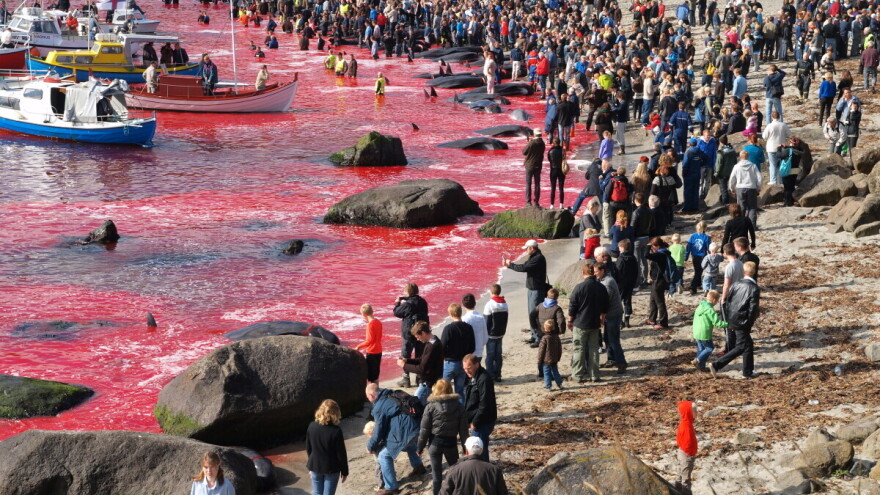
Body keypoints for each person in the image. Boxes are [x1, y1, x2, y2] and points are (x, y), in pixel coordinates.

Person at [366, 383, 426, 495]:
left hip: (406, 430)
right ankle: (418, 466)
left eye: (368, 397)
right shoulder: (394, 393)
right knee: (409, 443)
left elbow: (379, 431)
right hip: (417, 426)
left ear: (372, 395)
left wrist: (370, 446)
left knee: (384, 456)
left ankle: (391, 488)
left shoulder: (379, 406)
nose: (369, 400)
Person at [709, 261, 760, 379]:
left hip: (732, 318)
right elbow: (753, 309)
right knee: (741, 346)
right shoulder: (754, 288)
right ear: (754, 272)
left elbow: (728, 301)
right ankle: (717, 364)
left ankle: (748, 371)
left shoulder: (736, 284)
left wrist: (728, 318)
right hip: (743, 321)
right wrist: (749, 323)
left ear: (744, 271)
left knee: (748, 345)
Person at [418, 379, 468, 495]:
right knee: (455, 472)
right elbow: (463, 431)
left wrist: (419, 448)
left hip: (435, 444)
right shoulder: (459, 406)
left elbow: (424, 430)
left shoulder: (430, 407)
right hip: (451, 443)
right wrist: (466, 448)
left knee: (437, 476)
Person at [567, 263, 610, 383]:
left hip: (580, 323)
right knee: (594, 350)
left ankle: (577, 375)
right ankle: (594, 375)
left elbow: (573, 306)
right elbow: (605, 306)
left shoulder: (579, 287)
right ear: (593, 273)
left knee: (579, 349)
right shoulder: (601, 287)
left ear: (583, 273)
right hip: (594, 323)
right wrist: (601, 320)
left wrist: (570, 320)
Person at [503, 239, 547, 347]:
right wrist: (510, 265)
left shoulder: (538, 258)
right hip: (532, 289)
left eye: (527, 248)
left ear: (532, 248)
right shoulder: (534, 257)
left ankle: (538, 338)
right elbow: (524, 266)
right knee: (531, 313)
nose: (526, 250)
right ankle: (534, 335)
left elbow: (524, 268)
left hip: (537, 289)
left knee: (534, 314)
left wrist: (510, 265)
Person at [306, 399, 348, 495]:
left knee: (317, 492)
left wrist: (311, 465)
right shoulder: (336, 431)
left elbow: (308, 448)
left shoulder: (311, 426)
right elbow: (341, 454)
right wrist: (345, 472)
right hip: (331, 468)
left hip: (315, 466)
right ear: (336, 413)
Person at [439, 437, 508, 495]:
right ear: (482, 451)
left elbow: (444, 493)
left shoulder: (454, 469)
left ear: (467, 451)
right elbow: (503, 493)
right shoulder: (494, 470)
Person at [393, 282, 429, 388]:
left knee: (405, 355)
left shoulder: (408, 304)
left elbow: (396, 313)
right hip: (421, 332)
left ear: (408, 292)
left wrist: (397, 303)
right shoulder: (423, 302)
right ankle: (419, 377)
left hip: (409, 333)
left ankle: (406, 378)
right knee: (419, 355)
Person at [398, 321, 444, 404]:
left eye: (418, 337)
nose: (417, 339)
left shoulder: (432, 346)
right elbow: (422, 359)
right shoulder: (432, 341)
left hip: (429, 383)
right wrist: (407, 360)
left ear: (423, 333)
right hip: (430, 381)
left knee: (416, 406)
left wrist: (404, 365)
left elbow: (422, 368)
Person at [462, 353, 496, 461]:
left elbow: (484, 404)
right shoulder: (472, 377)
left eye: (469, 368)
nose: (467, 371)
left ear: (477, 364)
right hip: (477, 420)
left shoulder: (483, 379)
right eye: (464, 368)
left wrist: (475, 423)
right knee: (479, 450)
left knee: (479, 452)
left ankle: (484, 474)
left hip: (482, 422)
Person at [596, 261, 626, 374]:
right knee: (607, 338)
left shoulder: (607, 283)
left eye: (596, 272)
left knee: (613, 340)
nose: (594, 274)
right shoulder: (604, 280)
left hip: (613, 314)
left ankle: (621, 362)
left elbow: (605, 301)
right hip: (611, 313)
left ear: (602, 271)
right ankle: (611, 359)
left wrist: (601, 318)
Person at [440, 303, 475, 399]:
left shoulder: (448, 329)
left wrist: (445, 356)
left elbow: (442, 347)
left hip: (450, 362)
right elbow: (472, 347)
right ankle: (461, 411)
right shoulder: (468, 327)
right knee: (460, 391)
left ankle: (446, 410)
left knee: (443, 389)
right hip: (463, 362)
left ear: (450, 314)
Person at [692, 290, 727, 371]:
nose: (717, 303)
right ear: (714, 300)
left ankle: (701, 366)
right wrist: (727, 324)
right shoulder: (710, 310)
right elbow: (717, 323)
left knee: (701, 349)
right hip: (704, 333)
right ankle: (697, 360)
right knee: (709, 348)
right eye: (717, 301)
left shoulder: (700, 306)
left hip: (696, 332)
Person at [728, 150, 761, 229]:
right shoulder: (753, 165)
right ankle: (752, 226)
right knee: (752, 207)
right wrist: (758, 187)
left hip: (740, 188)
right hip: (751, 187)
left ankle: (741, 225)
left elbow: (732, 178)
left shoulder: (737, 166)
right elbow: (759, 177)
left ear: (740, 157)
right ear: (748, 157)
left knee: (741, 207)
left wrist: (731, 187)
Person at [646, 236, 674, 329]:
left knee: (660, 302)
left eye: (652, 247)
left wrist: (647, 246)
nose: (651, 249)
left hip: (660, 281)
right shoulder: (663, 253)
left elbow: (646, 255)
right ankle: (652, 318)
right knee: (653, 300)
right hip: (656, 280)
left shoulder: (660, 255)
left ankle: (663, 323)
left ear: (657, 246)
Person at [482, 284, 508, 382]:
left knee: (490, 356)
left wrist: (485, 334)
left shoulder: (490, 304)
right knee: (498, 355)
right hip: (500, 333)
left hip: (491, 334)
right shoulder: (505, 304)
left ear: (491, 292)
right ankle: (498, 374)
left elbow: (486, 321)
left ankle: (490, 374)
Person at [355, 303, 383, 384]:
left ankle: (373, 392)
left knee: (371, 375)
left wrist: (358, 346)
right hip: (379, 350)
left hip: (372, 351)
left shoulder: (370, 325)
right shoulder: (378, 322)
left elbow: (369, 341)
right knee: (376, 373)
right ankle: (376, 390)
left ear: (364, 315)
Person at [675, 400, 698, 495]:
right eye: (695, 410)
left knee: (680, 476)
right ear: (688, 412)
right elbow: (687, 443)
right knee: (685, 479)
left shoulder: (685, 423)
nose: (697, 413)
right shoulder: (686, 427)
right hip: (686, 455)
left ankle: (676, 491)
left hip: (683, 453)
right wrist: (691, 454)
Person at [762, 111, 791, 185]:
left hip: (771, 148)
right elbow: (790, 134)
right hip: (781, 147)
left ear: (772, 117)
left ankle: (773, 180)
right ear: (779, 117)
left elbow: (764, 137)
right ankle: (780, 181)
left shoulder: (769, 126)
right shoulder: (783, 125)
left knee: (772, 164)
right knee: (781, 165)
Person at [537, 319, 564, 390]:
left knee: (546, 373)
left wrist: (539, 360)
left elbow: (541, 351)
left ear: (545, 329)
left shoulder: (544, 338)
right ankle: (560, 384)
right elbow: (559, 348)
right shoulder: (556, 337)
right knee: (555, 371)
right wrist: (558, 357)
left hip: (546, 360)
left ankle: (548, 385)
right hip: (554, 358)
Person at [685, 221, 710, 296]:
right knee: (698, 272)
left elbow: (688, 247)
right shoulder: (706, 237)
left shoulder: (693, 236)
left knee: (697, 270)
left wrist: (686, 256)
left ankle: (698, 283)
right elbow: (709, 248)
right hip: (702, 256)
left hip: (694, 256)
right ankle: (693, 287)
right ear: (705, 228)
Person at [522, 130, 545, 206]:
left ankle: (528, 202)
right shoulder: (542, 143)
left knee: (528, 184)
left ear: (535, 134)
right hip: (538, 165)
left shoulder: (531, 143)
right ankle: (536, 201)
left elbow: (524, 152)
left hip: (529, 165)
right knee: (537, 184)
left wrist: (528, 143)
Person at [461, 293, 488, 361]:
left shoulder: (464, 319)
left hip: (468, 354)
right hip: (479, 352)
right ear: (475, 303)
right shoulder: (481, 317)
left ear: (463, 305)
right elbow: (485, 337)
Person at [547, 138, 565, 209]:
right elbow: (564, 158)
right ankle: (561, 204)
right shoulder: (562, 150)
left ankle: (552, 205)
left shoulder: (550, 151)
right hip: (561, 170)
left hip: (553, 170)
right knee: (561, 188)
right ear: (559, 142)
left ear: (553, 143)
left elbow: (549, 160)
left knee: (553, 188)